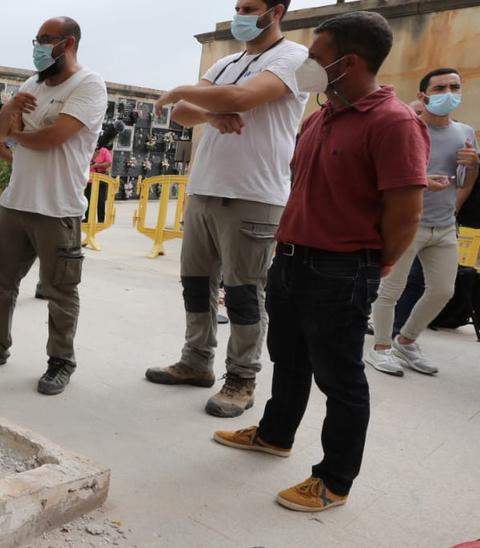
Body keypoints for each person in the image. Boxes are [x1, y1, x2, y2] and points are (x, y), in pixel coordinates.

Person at [214, 11, 428, 513]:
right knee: (289, 359)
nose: (306, 65)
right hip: (291, 260)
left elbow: (405, 211)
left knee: (340, 377)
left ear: (347, 63)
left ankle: (334, 480)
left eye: (316, 57)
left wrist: (374, 264)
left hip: (340, 268)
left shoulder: (394, 122)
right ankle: (274, 434)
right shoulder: (320, 115)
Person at [146, 0, 309, 418]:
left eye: (250, 7)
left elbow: (244, 97)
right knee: (196, 285)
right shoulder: (227, 61)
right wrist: (214, 114)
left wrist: (188, 92)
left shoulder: (294, 57)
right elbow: (185, 114)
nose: (240, 13)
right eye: (237, 6)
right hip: (205, 189)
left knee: (242, 294)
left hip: (254, 195)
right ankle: (196, 360)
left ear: (277, 11)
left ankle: (242, 378)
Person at [0, 16, 106, 396]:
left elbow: (55, 137)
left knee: (60, 293)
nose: (38, 46)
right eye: (36, 39)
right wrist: (9, 111)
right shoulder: (31, 84)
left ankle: (61, 361)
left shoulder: (88, 85)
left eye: (46, 39)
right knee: (1, 284)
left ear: (68, 43)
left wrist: (16, 134)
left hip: (58, 209)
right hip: (16, 204)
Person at [365, 68, 478, 377]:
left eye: (454, 86)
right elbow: (381, 175)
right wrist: (422, 181)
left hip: (443, 227)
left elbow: (465, 180)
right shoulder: (406, 129)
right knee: (391, 290)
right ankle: (381, 349)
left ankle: (407, 340)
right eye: (440, 87)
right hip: (406, 222)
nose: (448, 92)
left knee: (444, 290)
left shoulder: (465, 132)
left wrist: (472, 166)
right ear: (422, 95)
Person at [84, 127, 116, 224]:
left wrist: (97, 165)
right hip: (90, 179)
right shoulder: (89, 149)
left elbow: (109, 163)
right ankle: (87, 218)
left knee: (100, 200)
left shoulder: (104, 151)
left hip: (101, 179)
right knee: (87, 199)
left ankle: (101, 219)